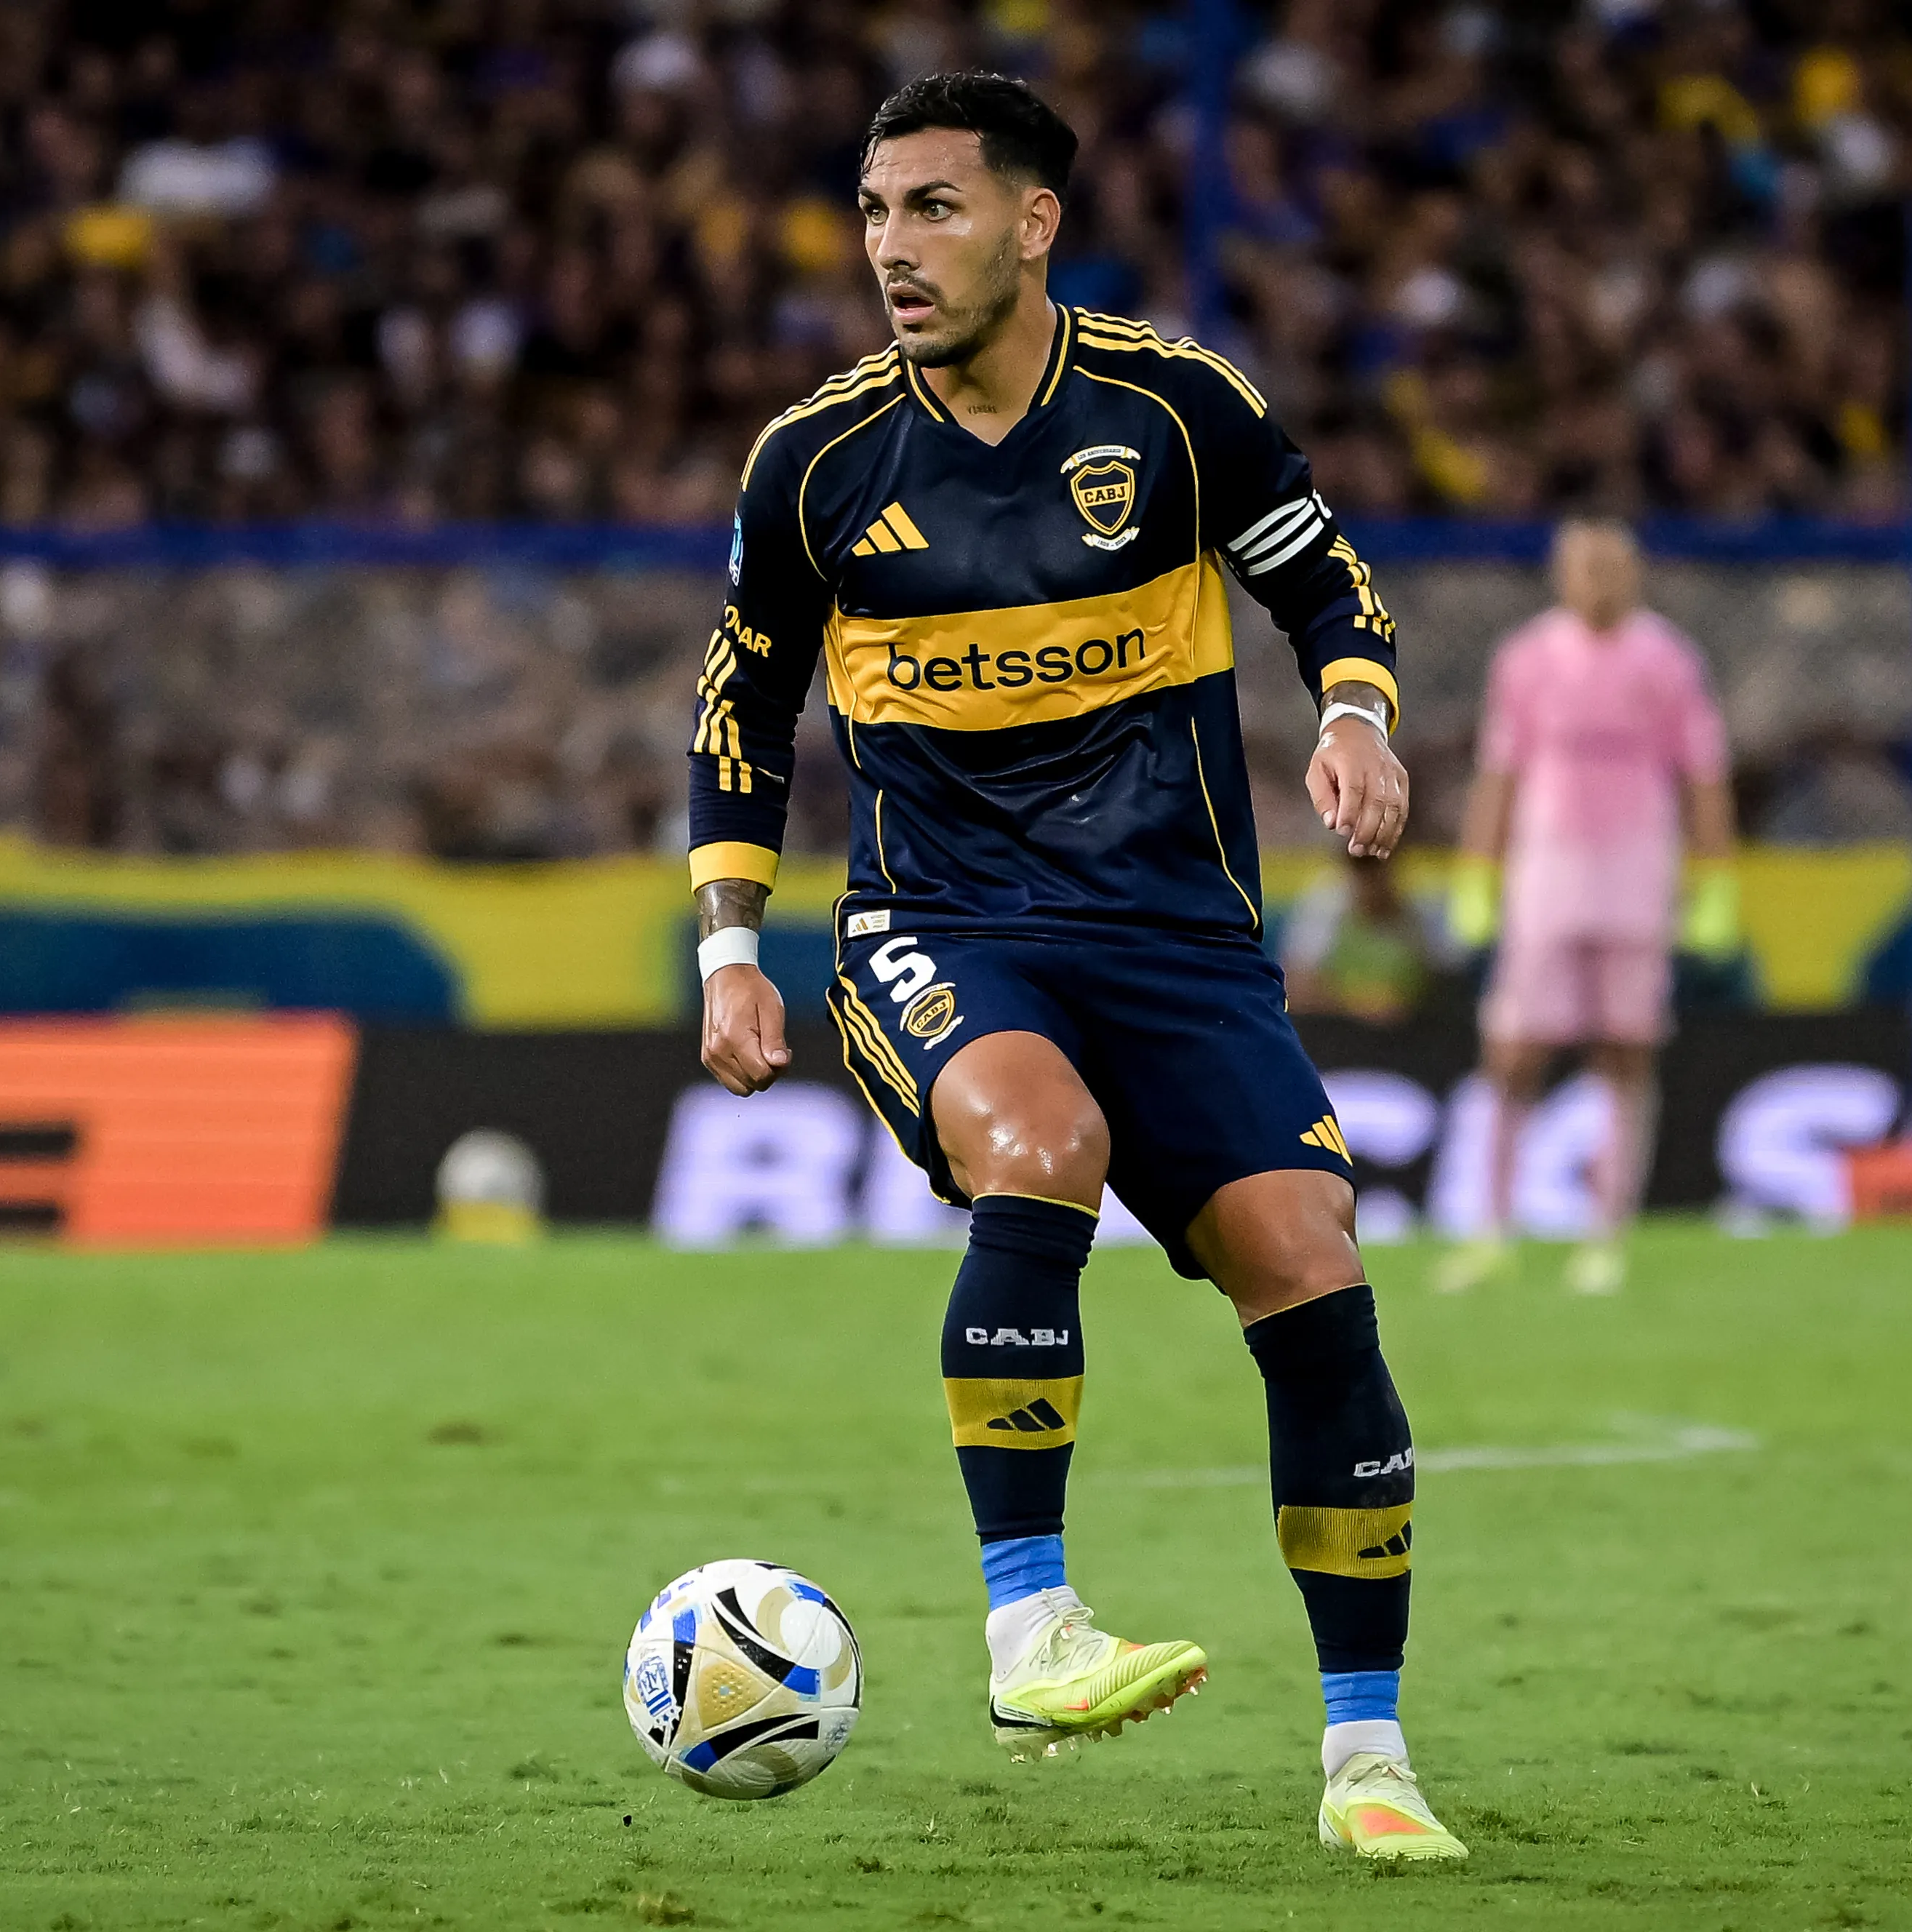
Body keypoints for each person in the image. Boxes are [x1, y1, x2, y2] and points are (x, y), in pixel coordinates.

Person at [687, 73, 1462, 1862]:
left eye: (933, 208)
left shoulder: (1175, 410)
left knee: (1309, 1266)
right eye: (875, 209)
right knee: (1041, 1148)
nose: (891, 245)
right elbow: (742, 697)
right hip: (934, 925)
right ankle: (1031, 1629)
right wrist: (730, 942)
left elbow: (1322, 576)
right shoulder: (812, 463)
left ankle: (1366, 1755)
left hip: (1176, 934)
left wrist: (1353, 714)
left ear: (1034, 223)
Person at [1439, 519, 1737, 1296]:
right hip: (1546, 878)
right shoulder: (1527, 659)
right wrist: (1476, 874)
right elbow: (1498, 772)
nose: (1599, 580)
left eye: (1612, 566)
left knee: (1625, 1053)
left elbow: (1702, 772)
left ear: (1635, 573)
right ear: (1560, 574)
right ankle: (1490, 1232)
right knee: (1511, 1054)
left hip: (1637, 877)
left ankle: (1605, 1239)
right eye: (1584, 566)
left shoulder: (1667, 659)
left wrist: (1716, 881)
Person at [1279, 850, 1457, 1026]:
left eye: (1379, 865)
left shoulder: (1420, 909)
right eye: (1363, 867)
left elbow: (1445, 981)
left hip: (1410, 1035)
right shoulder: (1327, 906)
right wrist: (1360, 1005)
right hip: (1338, 1033)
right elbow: (1295, 988)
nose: (1372, 878)